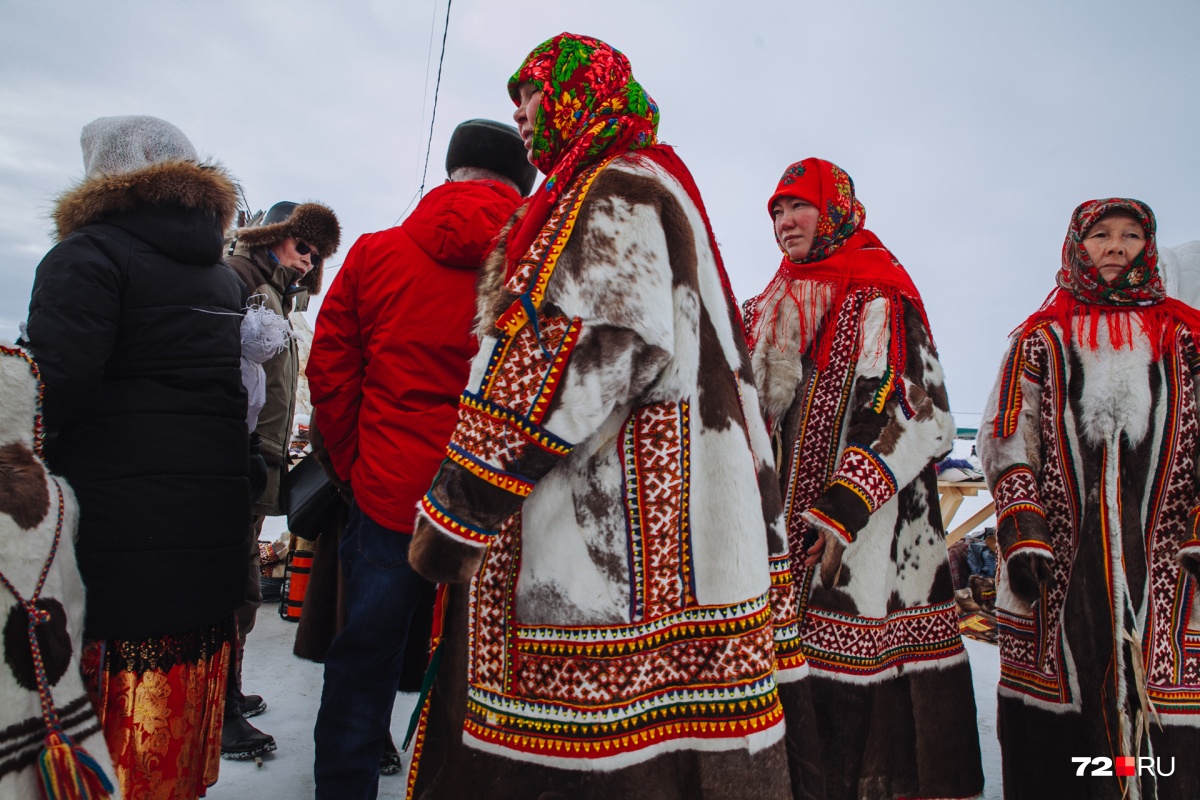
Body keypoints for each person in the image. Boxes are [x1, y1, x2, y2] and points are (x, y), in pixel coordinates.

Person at [406, 33, 821, 800]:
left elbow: (588, 350)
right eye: (518, 100)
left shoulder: (615, 187)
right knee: (667, 742)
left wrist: (468, 499)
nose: (523, 115)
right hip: (672, 533)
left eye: (532, 92)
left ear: (578, 93)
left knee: (593, 752)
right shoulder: (644, 183)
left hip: (613, 535)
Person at [306, 118, 535, 798]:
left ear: (451, 170)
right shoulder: (539, 260)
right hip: (498, 500)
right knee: (494, 665)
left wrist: (357, 464)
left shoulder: (376, 253)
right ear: (521, 183)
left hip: (390, 491)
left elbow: (331, 374)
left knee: (364, 656)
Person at [21, 115, 249, 798]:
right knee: (172, 738)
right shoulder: (221, 278)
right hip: (206, 534)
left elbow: (51, 393)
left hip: (115, 544)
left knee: (110, 737)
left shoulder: (86, 258)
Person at [743, 158, 983, 800]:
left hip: (871, 536)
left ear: (835, 210)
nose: (785, 222)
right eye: (776, 211)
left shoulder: (882, 293)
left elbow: (926, 414)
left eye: (799, 207)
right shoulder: (771, 301)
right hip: (781, 533)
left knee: (863, 716)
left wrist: (844, 507)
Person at [977, 198, 1200, 799]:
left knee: (1162, 719)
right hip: (1062, 562)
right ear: (1078, 245)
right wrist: (1023, 528)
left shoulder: (1184, 339)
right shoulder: (1040, 340)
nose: (1116, 248)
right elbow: (1006, 439)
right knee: (1070, 723)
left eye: (1131, 236)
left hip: (1167, 561)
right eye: (1101, 235)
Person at [223, 199, 341, 759]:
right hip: (238, 457)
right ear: (274, 236)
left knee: (242, 571)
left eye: (315, 255)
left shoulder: (274, 292)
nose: (306, 262)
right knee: (230, 581)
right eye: (302, 247)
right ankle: (218, 710)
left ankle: (229, 691)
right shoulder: (243, 280)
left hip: (259, 455)